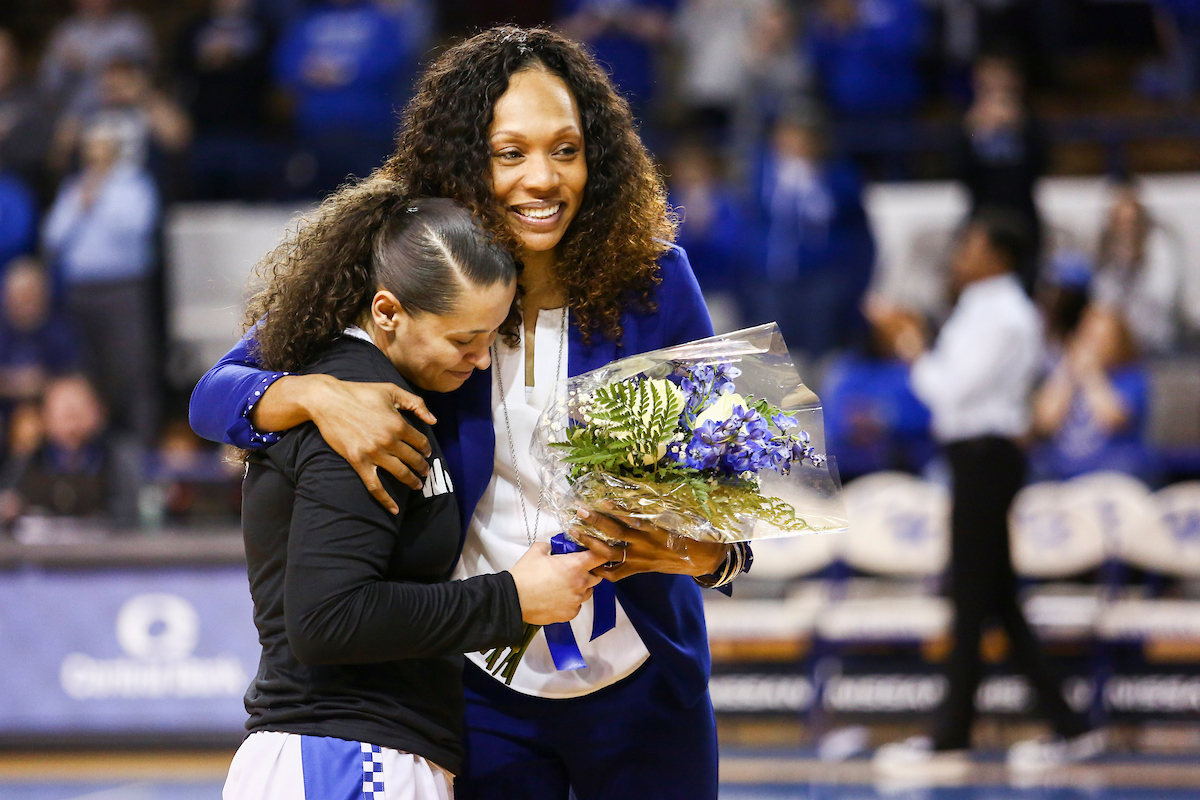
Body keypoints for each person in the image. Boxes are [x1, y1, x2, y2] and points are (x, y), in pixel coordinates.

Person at [191, 27, 749, 799]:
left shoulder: (655, 283)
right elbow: (216, 393)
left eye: (565, 149)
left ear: (600, 156)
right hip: (481, 690)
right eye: (509, 152)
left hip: (647, 680)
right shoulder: (418, 278)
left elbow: (734, 494)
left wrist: (710, 559)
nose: (542, 179)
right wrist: (315, 393)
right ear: (463, 160)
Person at [221, 188, 605, 800]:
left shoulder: (365, 388)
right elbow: (326, 621)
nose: (482, 360)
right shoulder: (360, 413)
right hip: (348, 755)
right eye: (463, 341)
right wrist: (511, 600)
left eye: (492, 337)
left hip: (353, 752)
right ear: (387, 312)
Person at [873, 209, 1103, 777]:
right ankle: (1069, 726)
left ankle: (952, 734)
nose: (960, 255)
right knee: (994, 598)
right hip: (973, 458)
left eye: (971, 245)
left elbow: (949, 391)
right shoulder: (982, 310)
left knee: (973, 599)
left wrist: (912, 349)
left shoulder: (1005, 316)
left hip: (986, 458)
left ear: (999, 255)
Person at [42, 118, 160, 445]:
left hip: (123, 288)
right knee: (86, 373)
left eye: (100, 148)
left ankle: (140, 446)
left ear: (114, 150)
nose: (94, 155)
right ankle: (95, 447)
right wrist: (83, 200)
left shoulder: (135, 184)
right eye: (90, 148)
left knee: (130, 370)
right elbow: (53, 237)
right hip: (80, 292)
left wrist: (101, 197)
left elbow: (135, 227)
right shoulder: (75, 187)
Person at [1031, 303, 1157, 484]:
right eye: (1090, 337)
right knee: (1038, 466)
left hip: (1114, 465)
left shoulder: (1131, 377)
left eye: (1103, 339)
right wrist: (1066, 374)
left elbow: (1113, 420)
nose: (1095, 345)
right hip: (1064, 465)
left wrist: (1092, 376)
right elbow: (1044, 422)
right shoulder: (1065, 374)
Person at [957, 52, 1047, 295]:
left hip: (1022, 218)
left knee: (1025, 289)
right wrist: (976, 133)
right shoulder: (970, 124)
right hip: (983, 219)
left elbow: (1042, 165)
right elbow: (959, 172)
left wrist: (1020, 128)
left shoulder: (1028, 121)